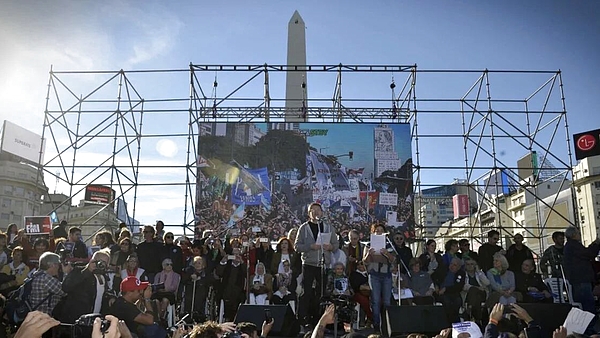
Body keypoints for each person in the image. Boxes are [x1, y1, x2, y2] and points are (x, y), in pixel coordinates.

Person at [295, 202, 339, 327]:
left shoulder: (328, 227)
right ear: (309, 214)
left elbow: (336, 245)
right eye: (312, 210)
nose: (315, 212)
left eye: (318, 210)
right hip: (309, 263)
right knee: (306, 292)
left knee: (321, 293)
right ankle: (302, 318)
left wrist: (330, 246)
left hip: (323, 264)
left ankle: (318, 318)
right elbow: (297, 246)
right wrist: (310, 246)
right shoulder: (304, 228)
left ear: (322, 212)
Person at [57, 250, 112, 323]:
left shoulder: (103, 276)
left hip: (94, 319)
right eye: (100, 261)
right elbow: (66, 287)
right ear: (93, 260)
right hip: (77, 318)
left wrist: (111, 297)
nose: (101, 265)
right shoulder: (78, 271)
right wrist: (88, 270)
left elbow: (101, 294)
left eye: (105, 263)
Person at [563, 226, 600, 334]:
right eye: (578, 233)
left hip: (579, 279)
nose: (580, 235)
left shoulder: (571, 246)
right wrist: (595, 244)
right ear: (574, 235)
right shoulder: (573, 246)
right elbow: (588, 254)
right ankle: (589, 328)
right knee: (587, 304)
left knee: (584, 304)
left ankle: (586, 328)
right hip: (581, 279)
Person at [363, 223, 396, 332]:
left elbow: (393, 260)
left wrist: (387, 253)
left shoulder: (388, 244)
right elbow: (364, 262)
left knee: (387, 301)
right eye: (377, 230)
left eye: (381, 230)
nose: (379, 232)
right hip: (374, 275)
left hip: (386, 275)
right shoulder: (368, 244)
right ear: (373, 232)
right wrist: (368, 254)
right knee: (375, 301)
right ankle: (376, 325)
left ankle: (387, 325)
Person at [183, 256, 215, 322]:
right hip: (190, 293)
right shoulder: (189, 271)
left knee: (200, 293)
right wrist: (190, 277)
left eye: (199, 263)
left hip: (201, 294)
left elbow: (210, 281)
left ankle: (198, 314)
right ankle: (188, 315)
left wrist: (201, 279)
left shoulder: (207, 273)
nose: (197, 265)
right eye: (195, 263)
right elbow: (183, 280)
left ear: (203, 265)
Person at [436, 257, 466, 324]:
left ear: (458, 267)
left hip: (454, 293)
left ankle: (454, 322)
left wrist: (446, 289)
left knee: (457, 301)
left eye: (454, 265)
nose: (452, 266)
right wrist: (436, 286)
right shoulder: (444, 270)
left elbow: (458, 287)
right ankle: (448, 323)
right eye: (451, 264)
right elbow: (434, 277)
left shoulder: (461, 273)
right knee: (447, 301)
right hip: (442, 294)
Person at [462, 258, 490, 323]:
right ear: (465, 266)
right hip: (469, 295)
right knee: (475, 294)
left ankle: (469, 310)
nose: (470, 266)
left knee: (476, 293)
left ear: (475, 265)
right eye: (467, 264)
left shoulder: (479, 273)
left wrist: (479, 272)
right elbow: (464, 286)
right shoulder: (463, 274)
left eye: (472, 264)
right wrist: (477, 288)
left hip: (482, 293)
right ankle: (478, 319)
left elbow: (487, 283)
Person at [349, 260, 372, 326]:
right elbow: (358, 287)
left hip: (370, 293)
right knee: (363, 300)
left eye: (362, 264)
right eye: (358, 264)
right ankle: (372, 317)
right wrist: (369, 287)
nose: (360, 266)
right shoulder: (354, 274)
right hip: (358, 293)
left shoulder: (370, 274)